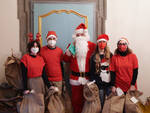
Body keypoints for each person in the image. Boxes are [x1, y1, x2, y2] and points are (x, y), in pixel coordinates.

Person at [63, 23, 96, 113]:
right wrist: (69, 50)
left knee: (88, 100)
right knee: (76, 100)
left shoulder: (92, 46)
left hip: (88, 78)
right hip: (75, 78)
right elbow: (65, 59)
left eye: (82, 35)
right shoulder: (72, 45)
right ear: (75, 36)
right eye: (78, 35)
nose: (80, 37)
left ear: (86, 35)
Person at [89, 34, 112, 111]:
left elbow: (113, 70)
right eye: (100, 42)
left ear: (106, 43)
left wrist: (113, 83)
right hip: (99, 85)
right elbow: (91, 72)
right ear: (97, 44)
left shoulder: (110, 55)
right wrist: (96, 82)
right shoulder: (93, 56)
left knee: (109, 104)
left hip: (109, 84)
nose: (102, 44)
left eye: (103, 42)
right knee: (101, 103)